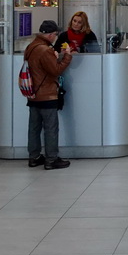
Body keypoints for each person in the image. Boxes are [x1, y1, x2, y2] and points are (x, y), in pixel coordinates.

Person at [23, 20, 74, 169]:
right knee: (51, 128)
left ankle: (34, 157)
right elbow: (55, 70)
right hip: (47, 95)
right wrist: (67, 57)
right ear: (51, 35)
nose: (56, 38)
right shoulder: (45, 50)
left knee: (34, 127)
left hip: (33, 94)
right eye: (55, 35)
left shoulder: (31, 46)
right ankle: (51, 159)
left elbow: (38, 67)